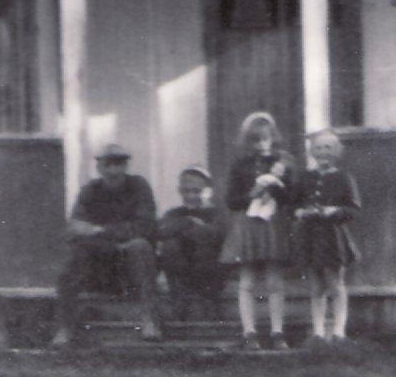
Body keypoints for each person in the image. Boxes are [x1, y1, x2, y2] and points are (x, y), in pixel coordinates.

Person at [51, 143, 159, 347]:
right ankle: (64, 327)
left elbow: (145, 226)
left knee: (140, 246)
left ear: (126, 166)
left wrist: (100, 230)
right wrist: (110, 237)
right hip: (100, 266)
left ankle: (150, 320)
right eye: (107, 165)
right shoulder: (90, 191)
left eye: (118, 164)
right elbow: (75, 227)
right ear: (99, 168)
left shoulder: (138, 187)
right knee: (73, 257)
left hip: (130, 268)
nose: (113, 171)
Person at [219, 111, 295, 351]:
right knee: (247, 280)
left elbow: (292, 198)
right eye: (255, 139)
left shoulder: (283, 163)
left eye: (265, 138)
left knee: (274, 279)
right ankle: (249, 331)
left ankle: (277, 332)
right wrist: (253, 191)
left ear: (273, 137)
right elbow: (231, 201)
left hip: (273, 223)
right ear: (248, 141)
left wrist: (277, 184)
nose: (261, 143)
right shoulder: (240, 166)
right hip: (248, 224)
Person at [293, 128, 361, 342]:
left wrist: (336, 211)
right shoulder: (305, 177)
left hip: (333, 236)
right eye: (319, 148)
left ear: (337, 152)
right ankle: (318, 331)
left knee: (335, 283)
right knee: (316, 285)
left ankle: (339, 330)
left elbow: (354, 209)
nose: (323, 152)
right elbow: (293, 205)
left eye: (328, 148)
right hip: (310, 235)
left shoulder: (343, 178)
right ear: (312, 151)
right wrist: (300, 211)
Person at [156, 165, 227, 321]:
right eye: (186, 191)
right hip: (182, 271)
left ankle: (208, 302)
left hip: (210, 272)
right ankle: (179, 299)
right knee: (170, 246)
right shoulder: (175, 213)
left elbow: (218, 233)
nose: (191, 196)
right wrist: (188, 222)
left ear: (209, 191)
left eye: (196, 191)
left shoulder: (217, 213)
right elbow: (160, 232)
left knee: (204, 244)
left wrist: (190, 229)